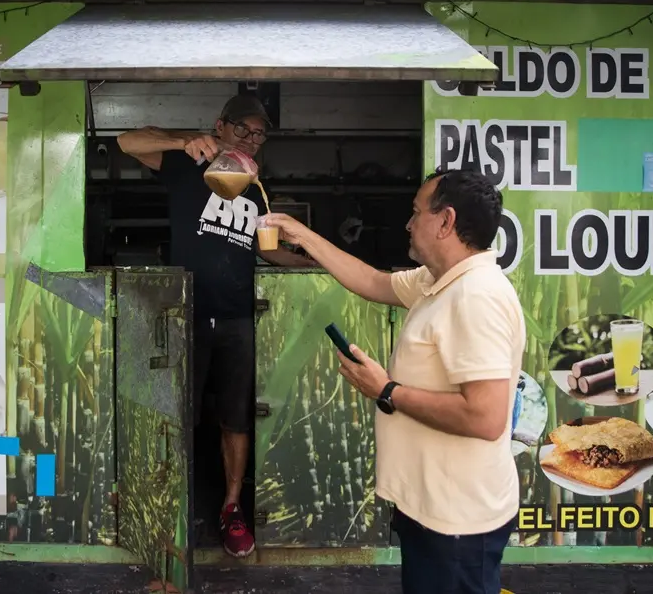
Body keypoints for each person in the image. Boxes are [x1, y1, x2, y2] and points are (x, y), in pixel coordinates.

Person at [265, 168, 524, 593]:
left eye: (416, 211)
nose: (408, 222)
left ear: (446, 222)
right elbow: (373, 281)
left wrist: (386, 390)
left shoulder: (476, 296)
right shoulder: (437, 281)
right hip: (430, 508)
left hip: (457, 519)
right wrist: (302, 234)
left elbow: (486, 417)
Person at [117, 94, 315, 558]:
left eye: (259, 133)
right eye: (242, 129)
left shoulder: (251, 186)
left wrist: (313, 257)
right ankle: (170, 510)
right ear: (220, 126)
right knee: (180, 416)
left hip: (237, 317)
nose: (251, 139)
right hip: (184, 313)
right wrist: (185, 139)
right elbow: (126, 140)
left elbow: (264, 249)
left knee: (235, 416)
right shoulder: (190, 166)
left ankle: (230, 508)